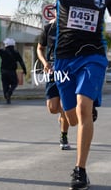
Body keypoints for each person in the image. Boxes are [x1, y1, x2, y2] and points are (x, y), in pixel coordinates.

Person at [16, 0, 111, 190]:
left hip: (93, 56)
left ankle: (80, 170)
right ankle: (83, 112)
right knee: (72, 118)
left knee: (83, 108)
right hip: (64, 59)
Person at [37, 14, 71, 150]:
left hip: (67, 71)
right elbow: (40, 48)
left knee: (64, 107)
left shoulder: (72, 28)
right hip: (52, 70)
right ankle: (62, 118)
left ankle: (64, 136)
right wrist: (44, 62)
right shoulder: (48, 28)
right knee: (52, 108)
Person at [0, 38, 27, 104]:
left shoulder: (3, 51)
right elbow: (21, 62)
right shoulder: (16, 53)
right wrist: (24, 70)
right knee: (15, 83)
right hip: (12, 72)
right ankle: (9, 93)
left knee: (5, 85)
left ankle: (7, 97)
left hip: (4, 71)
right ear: (13, 45)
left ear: (6, 45)